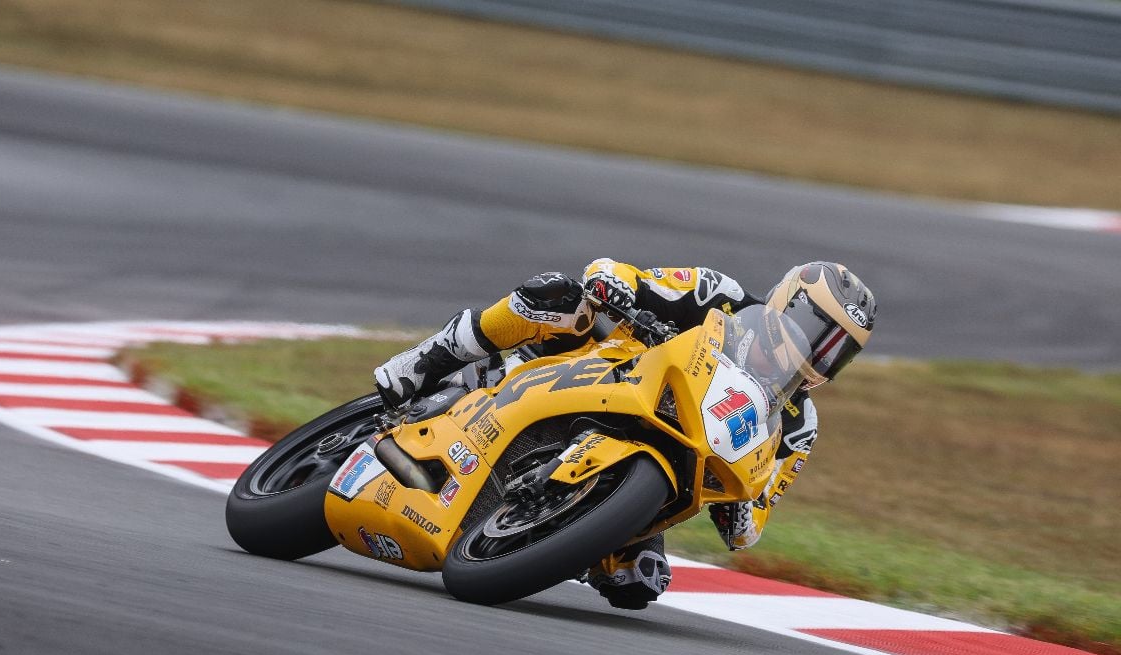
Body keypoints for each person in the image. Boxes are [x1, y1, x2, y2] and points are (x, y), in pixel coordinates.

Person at [374, 258, 876, 609]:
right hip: (609, 372)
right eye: (819, 330)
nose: (821, 353)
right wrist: (616, 287)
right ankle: (425, 360)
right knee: (557, 294)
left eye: (839, 351)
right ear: (789, 301)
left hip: (671, 465)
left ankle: (553, 526)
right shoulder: (716, 294)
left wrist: (744, 499)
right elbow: (614, 273)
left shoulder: (799, 424)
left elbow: (750, 527)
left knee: (637, 585)